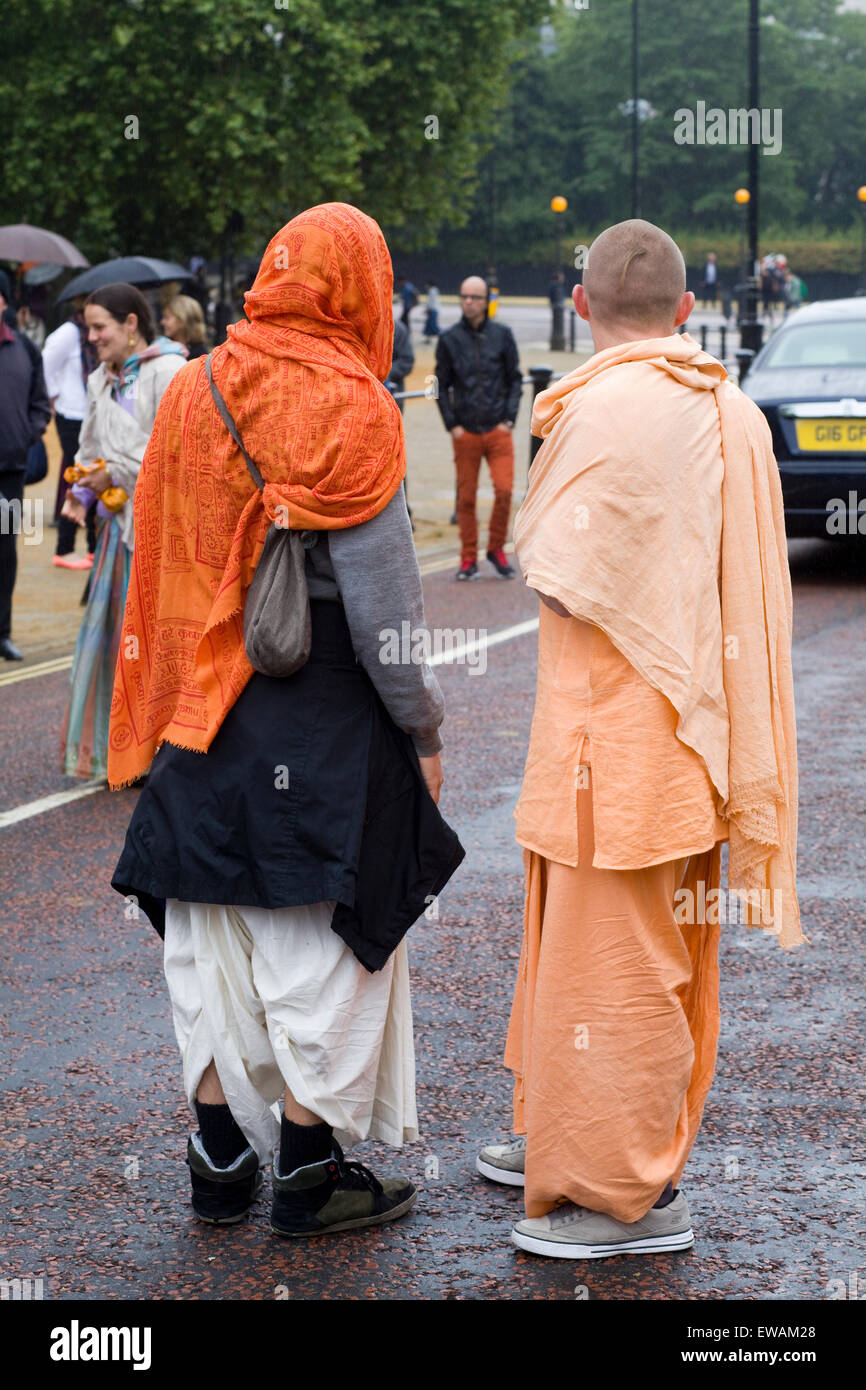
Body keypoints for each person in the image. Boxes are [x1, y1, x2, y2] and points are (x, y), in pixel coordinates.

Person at [106, 202, 464, 1239]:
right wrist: (425, 731)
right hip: (320, 708)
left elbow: (162, 550)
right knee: (319, 939)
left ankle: (216, 1158)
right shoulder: (356, 405)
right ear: (361, 287)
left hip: (202, 707)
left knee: (207, 932)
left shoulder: (196, 385)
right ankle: (309, 1171)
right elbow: (384, 601)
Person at [476, 219, 801, 1259]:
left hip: (603, 747)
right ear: (684, 310)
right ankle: (563, 1135)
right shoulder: (732, 410)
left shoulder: (588, 412)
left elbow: (556, 566)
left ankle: (622, 1197)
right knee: (643, 957)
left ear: (577, 310)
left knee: (605, 969)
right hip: (694, 739)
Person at [58, 283, 186, 777]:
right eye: (88, 328)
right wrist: (83, 490)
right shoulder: (101, 380)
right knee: (117, 641)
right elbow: (91, 445)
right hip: (118, 532)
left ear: (132, 324)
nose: (91, 337)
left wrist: (115, 472)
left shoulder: (167, 372)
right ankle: (123, 749)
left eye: (100, 327)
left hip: (161, 533)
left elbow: (170, 453)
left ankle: (164, 751)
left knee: (156, 642)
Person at [435, 275, 522, 581]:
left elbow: (515, 379)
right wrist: (453, 425)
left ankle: (496, 548)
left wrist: (508, 420)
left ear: (486, 302)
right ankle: (468, 558)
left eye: (475, 297)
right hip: (466, 432)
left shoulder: (503, 335)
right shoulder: (448, 340)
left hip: (498, 430)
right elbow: (438, 385)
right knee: (467, 499)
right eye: (464, 296)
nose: (468, 302)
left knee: (504, 489)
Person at [0, 269, 51, 661]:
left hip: (9, 473)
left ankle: (2, 632)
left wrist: (29, 433)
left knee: (5, 553)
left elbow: (39, 401)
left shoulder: (25, 350)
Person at [42, 301, 100, 569]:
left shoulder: (95, 332)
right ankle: (64, 548)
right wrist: (54, 396)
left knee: (90, 474)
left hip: (90, 411)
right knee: (76, 473)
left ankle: (91, 546)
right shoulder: (68, 332)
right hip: (71, 413)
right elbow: (44, 365)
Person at [162, 293, 208, 359]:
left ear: (182, 320)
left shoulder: (200, 356)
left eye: (167, 317)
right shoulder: (163, 347)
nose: (162, 322)